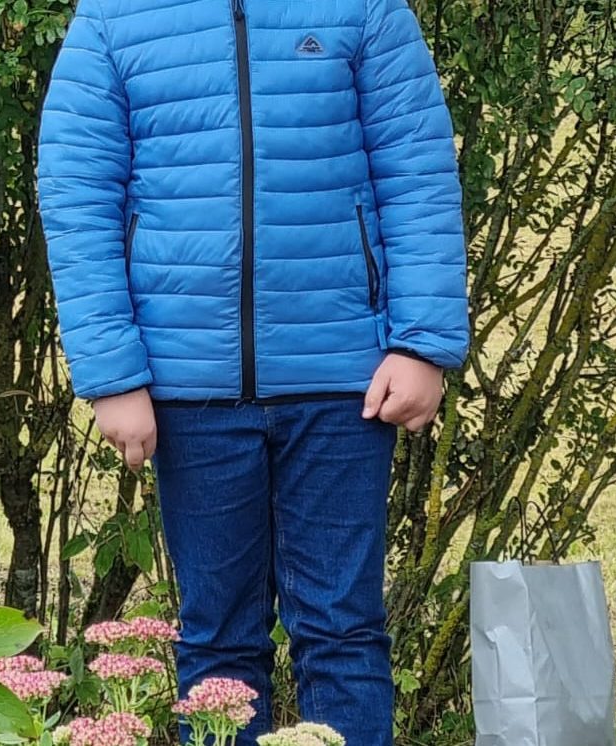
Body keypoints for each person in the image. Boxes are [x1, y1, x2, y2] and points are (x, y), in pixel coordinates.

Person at [37, 0, 468, 743]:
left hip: (346, 384)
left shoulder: (364, 7)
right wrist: (113, 376)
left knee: (344, 634)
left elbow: (417, 171)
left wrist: (422, 345)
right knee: (219, 645)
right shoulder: (112, 16)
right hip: (187, 388)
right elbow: (78, 199)